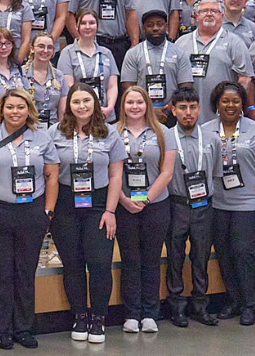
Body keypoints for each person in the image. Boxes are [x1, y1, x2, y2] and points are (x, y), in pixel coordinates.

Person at [0, 88, 56, 349]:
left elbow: (51, 175)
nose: (15, 111)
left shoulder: (42, 138)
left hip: (31, 213)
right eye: (10, 107)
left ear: (29, 110)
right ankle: (0, 329)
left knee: (25, 273)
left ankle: (24, 328)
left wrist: (48, 211)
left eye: (20, 107)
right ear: (1, 110)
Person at [50, 83, 124, 343]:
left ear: (95, 104)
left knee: (100, 263)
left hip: (99, 204)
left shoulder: (110, 134)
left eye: (86, 101)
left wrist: (110, 210)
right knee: (72, 264)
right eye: (76, 101)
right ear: (68, 105)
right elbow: (49, 174)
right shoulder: (55, 133)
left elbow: (116, 175)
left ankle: (99, 319)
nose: (81, 106)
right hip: (65, 205)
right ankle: (80, 316)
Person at [206, 81, 255, 325]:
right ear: (217, 103)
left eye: (236, 101)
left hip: (248, 202)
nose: (230, 105)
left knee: (242, 251)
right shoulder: (205, 130)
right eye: (225, 101)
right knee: (224, 253)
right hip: (217, 203)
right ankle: (234, 300)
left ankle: (249, 305)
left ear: (243, 104)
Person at [111, 86, 174, 333]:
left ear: (147, 105)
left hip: (155, 204)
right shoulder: (112, 132)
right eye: (129, 102)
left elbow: (167, 172)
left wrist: (146, 198)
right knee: (130, 260)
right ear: (123, 106)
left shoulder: (163, 132)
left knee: (150, 259)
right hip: (124, 205)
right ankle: (131, 314)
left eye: (139, 102)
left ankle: (150, 313)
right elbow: (110, 172)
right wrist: (124, 199)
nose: (134, 107)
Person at [163, 87, 218, 327]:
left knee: (200, 257)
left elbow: (215, 172)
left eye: (193, 107)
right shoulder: (165, 138)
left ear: (199, 109)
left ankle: (200, 306)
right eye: (183, 108)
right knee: (175, 257)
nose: (188, 113)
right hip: (176, 204)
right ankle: (176, 306)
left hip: (204, 206)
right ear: (173, 110)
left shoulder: (211, 138)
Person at [175, 0, 252, 122]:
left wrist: (238, 108)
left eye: (214, 11)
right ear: (196, 16)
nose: (209, 14)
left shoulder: (235, 42)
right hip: (188, 113)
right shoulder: (181, 43)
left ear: (222, 16)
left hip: (222, 113)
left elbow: (245, 79)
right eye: (205, 11)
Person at [119, 10, 191, 111]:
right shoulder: (133, 53)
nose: (155, 28)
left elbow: (185, 84)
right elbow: (128, 86)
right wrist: (147, 110)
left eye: (159, 24)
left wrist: (170, 107)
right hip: (141, 112)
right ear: (143, 28)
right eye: (150, 25)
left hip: (172, 111)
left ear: (166, 26)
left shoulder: (179, 52)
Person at [58, 9, 119, 120]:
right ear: (76, 26)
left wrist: (109, 108)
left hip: (104, 114)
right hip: (80, 113)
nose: (87, 27)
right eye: (83, 23)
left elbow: (112, 86)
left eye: (92, 23)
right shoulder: (67, 53)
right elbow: (69, 86)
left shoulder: (106, 53)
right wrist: (86, 107)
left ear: (97, 26)